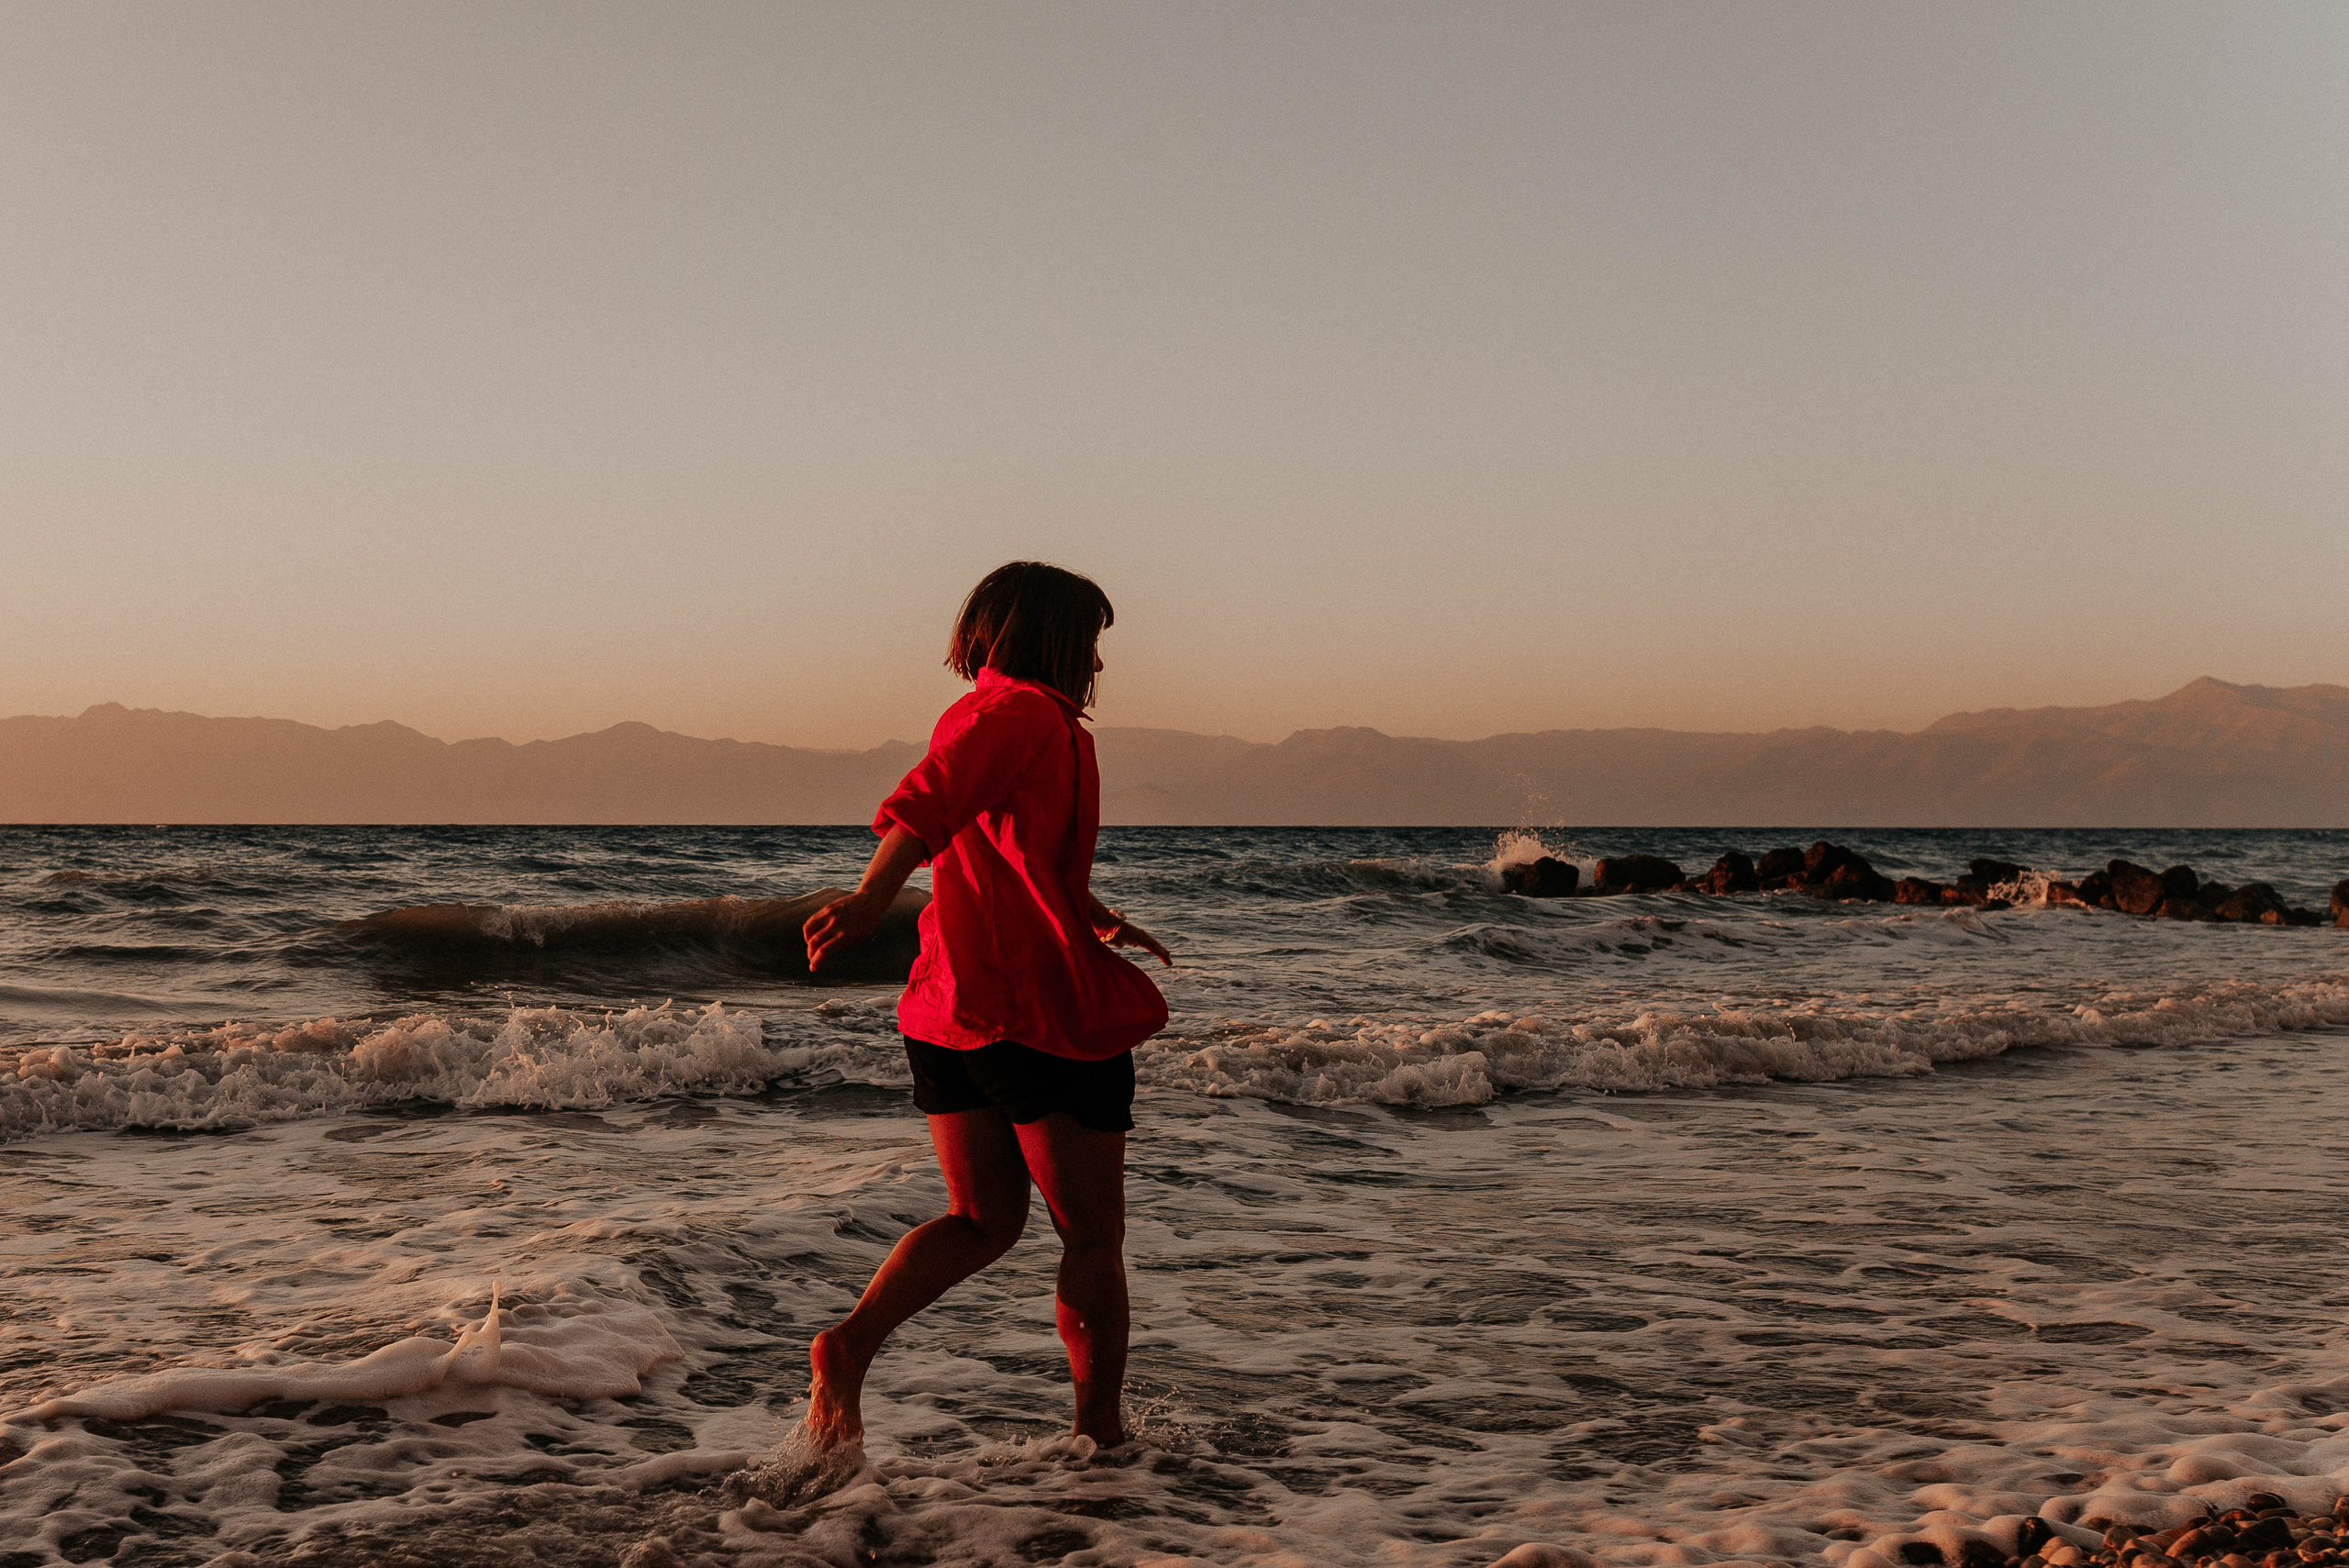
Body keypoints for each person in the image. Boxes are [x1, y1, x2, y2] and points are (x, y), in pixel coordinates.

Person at [799, 561, 1174, 1451]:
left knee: (983, 1219)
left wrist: (1092, 911)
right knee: (1091, 1237)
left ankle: (849, 1345)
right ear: (1052, 638)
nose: (1097, 663)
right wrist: (868, 899)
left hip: (946, 1013)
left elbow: (1000, 844)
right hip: (1034, 1013)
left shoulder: (979, 713)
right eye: (1089, 642)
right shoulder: (1026, 715)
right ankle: (1100, 1438)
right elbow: (923, 807)